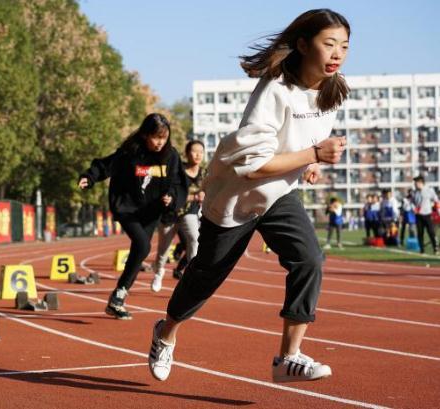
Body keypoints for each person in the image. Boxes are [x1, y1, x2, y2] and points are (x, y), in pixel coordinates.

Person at [147, 8, 350, 383]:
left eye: (344, 46)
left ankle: (288, 357)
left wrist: (309, 162)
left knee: (309, 260)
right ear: (304, 45)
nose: (337, 53)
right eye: (329, 44)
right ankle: (166, 332)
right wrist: (314, 154)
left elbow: (305, 139)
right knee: (205, 277)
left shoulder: (333, 92)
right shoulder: (275, 91)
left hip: (278, 196)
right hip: (236, 199)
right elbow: (254, 167)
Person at [78, 113, 187, 319]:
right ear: (146, 135)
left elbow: (177, 183)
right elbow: (106, 165)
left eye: (163, 138)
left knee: (140, 250)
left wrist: (170, 198)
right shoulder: (131, 152)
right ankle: (119, 295)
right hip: (127, 208)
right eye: (156, 137)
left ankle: (117, 299)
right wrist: (89, 177)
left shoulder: (170, 156)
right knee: (144, 246)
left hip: (151, 211)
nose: (159, 142)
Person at [151, 140, 206, 292]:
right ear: (187, 153)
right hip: (170, 213)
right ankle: (159, 272)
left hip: (190, 212)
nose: (198, 155)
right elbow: (168, 188)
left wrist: (204, 193)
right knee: (163, 249)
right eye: (194, 151)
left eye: (201, 152)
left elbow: (209, 189)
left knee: (195, 239)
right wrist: (168, 196)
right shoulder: (177, 170)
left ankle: (192, 274)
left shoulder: (204, 173)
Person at [413, 175, 439, 254]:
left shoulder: (429, 190)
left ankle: (435, 248)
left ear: (421, 182)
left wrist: (436, 209)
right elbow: (412, 202)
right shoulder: (415, 192)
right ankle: (422, 249)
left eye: (416, 182)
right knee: (420, 233)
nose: (415, 184)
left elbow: (436, 200)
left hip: (427, 214)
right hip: (418, 215)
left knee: (431, 232)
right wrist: (414, 208)